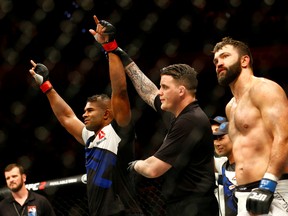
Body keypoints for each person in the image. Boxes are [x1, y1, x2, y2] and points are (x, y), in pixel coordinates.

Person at [89, 16, 219, 216]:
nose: (160, 92)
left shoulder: (189, 120)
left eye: (165, 87)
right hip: (184, 205)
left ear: (182, 91)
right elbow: (147, 91)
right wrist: (113, 47)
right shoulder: (178, 114)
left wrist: (133, 165)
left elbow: (152, 169)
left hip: (195, 207)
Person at [28, 35, 144, 215]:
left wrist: (110, 47)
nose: (84, 114)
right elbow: (67, 117)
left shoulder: (118, 131)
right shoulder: (91, 137)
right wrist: (47, 87)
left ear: (106, 113)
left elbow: (120, 91)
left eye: (90, 111)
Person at [213, 36, 288, 215]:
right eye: (215, 60)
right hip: (243, 193)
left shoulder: (264, 89)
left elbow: (284, 136)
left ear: (244, 60)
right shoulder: (230, 106)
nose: (218, 63)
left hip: (273, 189)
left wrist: (268, 185)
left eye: (225, 56)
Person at [213, 121, 237, 216]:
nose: (217, 143)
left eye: (221, 138)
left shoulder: (248, 164)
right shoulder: (223, 165)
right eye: (215, 139)